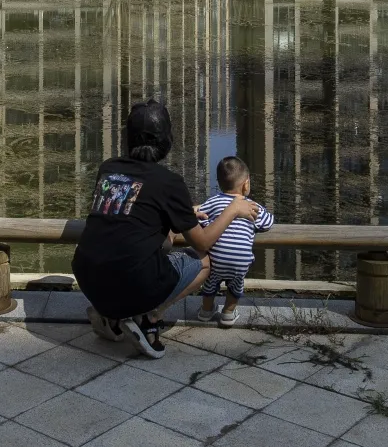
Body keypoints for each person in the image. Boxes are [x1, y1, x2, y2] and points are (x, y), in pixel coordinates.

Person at [72, 100, 263, 358]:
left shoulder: (108, 168)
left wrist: (181, 214)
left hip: (87, 277)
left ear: (128, 138)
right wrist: (233, 209)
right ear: (166, 140)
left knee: (147, 248)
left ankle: (111, 316)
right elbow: (202, 242)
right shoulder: (169, 182)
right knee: (204, 262)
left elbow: (129, 212)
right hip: (132, 280)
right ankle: (149, 318)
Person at [195, 156, 272, 326]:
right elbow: (268, 222)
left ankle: (206, 312)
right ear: (246, 184)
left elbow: (199, 216)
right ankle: (228, 314)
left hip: (216, 260)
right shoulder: (251, 206)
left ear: (219, 183)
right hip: (240, 261)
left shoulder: (213, 201)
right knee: (236, 286)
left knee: (210, 284)